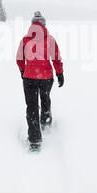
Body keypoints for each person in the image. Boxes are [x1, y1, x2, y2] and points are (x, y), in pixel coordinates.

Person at [16, 12, 64, 151]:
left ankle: (35, 141)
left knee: (31, 107)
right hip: (46, 77)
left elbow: (19, 58)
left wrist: (23, 70)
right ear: (44, 24)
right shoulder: (50, 39)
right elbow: (56, 58)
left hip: (30, 77)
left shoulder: (25, 40)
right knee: (45, 99)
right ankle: (45, 123)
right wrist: (60, 73)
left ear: (32, 24)